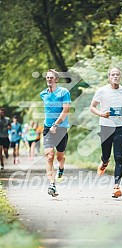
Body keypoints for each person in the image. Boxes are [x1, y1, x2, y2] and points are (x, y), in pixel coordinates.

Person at [90, 67, 122, 198]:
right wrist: (102, 114)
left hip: (120, 127)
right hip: (106, 127)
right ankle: (104, 162)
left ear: (120, 77)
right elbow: (92, 107)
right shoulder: (102, 91)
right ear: (109, 77)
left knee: (119, 157)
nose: (115, 76)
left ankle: (116, 187)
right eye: (113, 74)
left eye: (117, 74)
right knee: (106, 155)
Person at [40, 69, 71, 197]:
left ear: (56, 79)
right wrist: (50, 125)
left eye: (51, 77)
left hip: (61, 128)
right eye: (47, 77)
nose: (49, 79)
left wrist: (56, 124)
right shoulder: (43, 94)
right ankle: (52, 184)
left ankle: (61, 167)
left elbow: (66, 110)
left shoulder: (64, 92)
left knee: (59, 157)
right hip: (48, 128)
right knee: (49, 156)